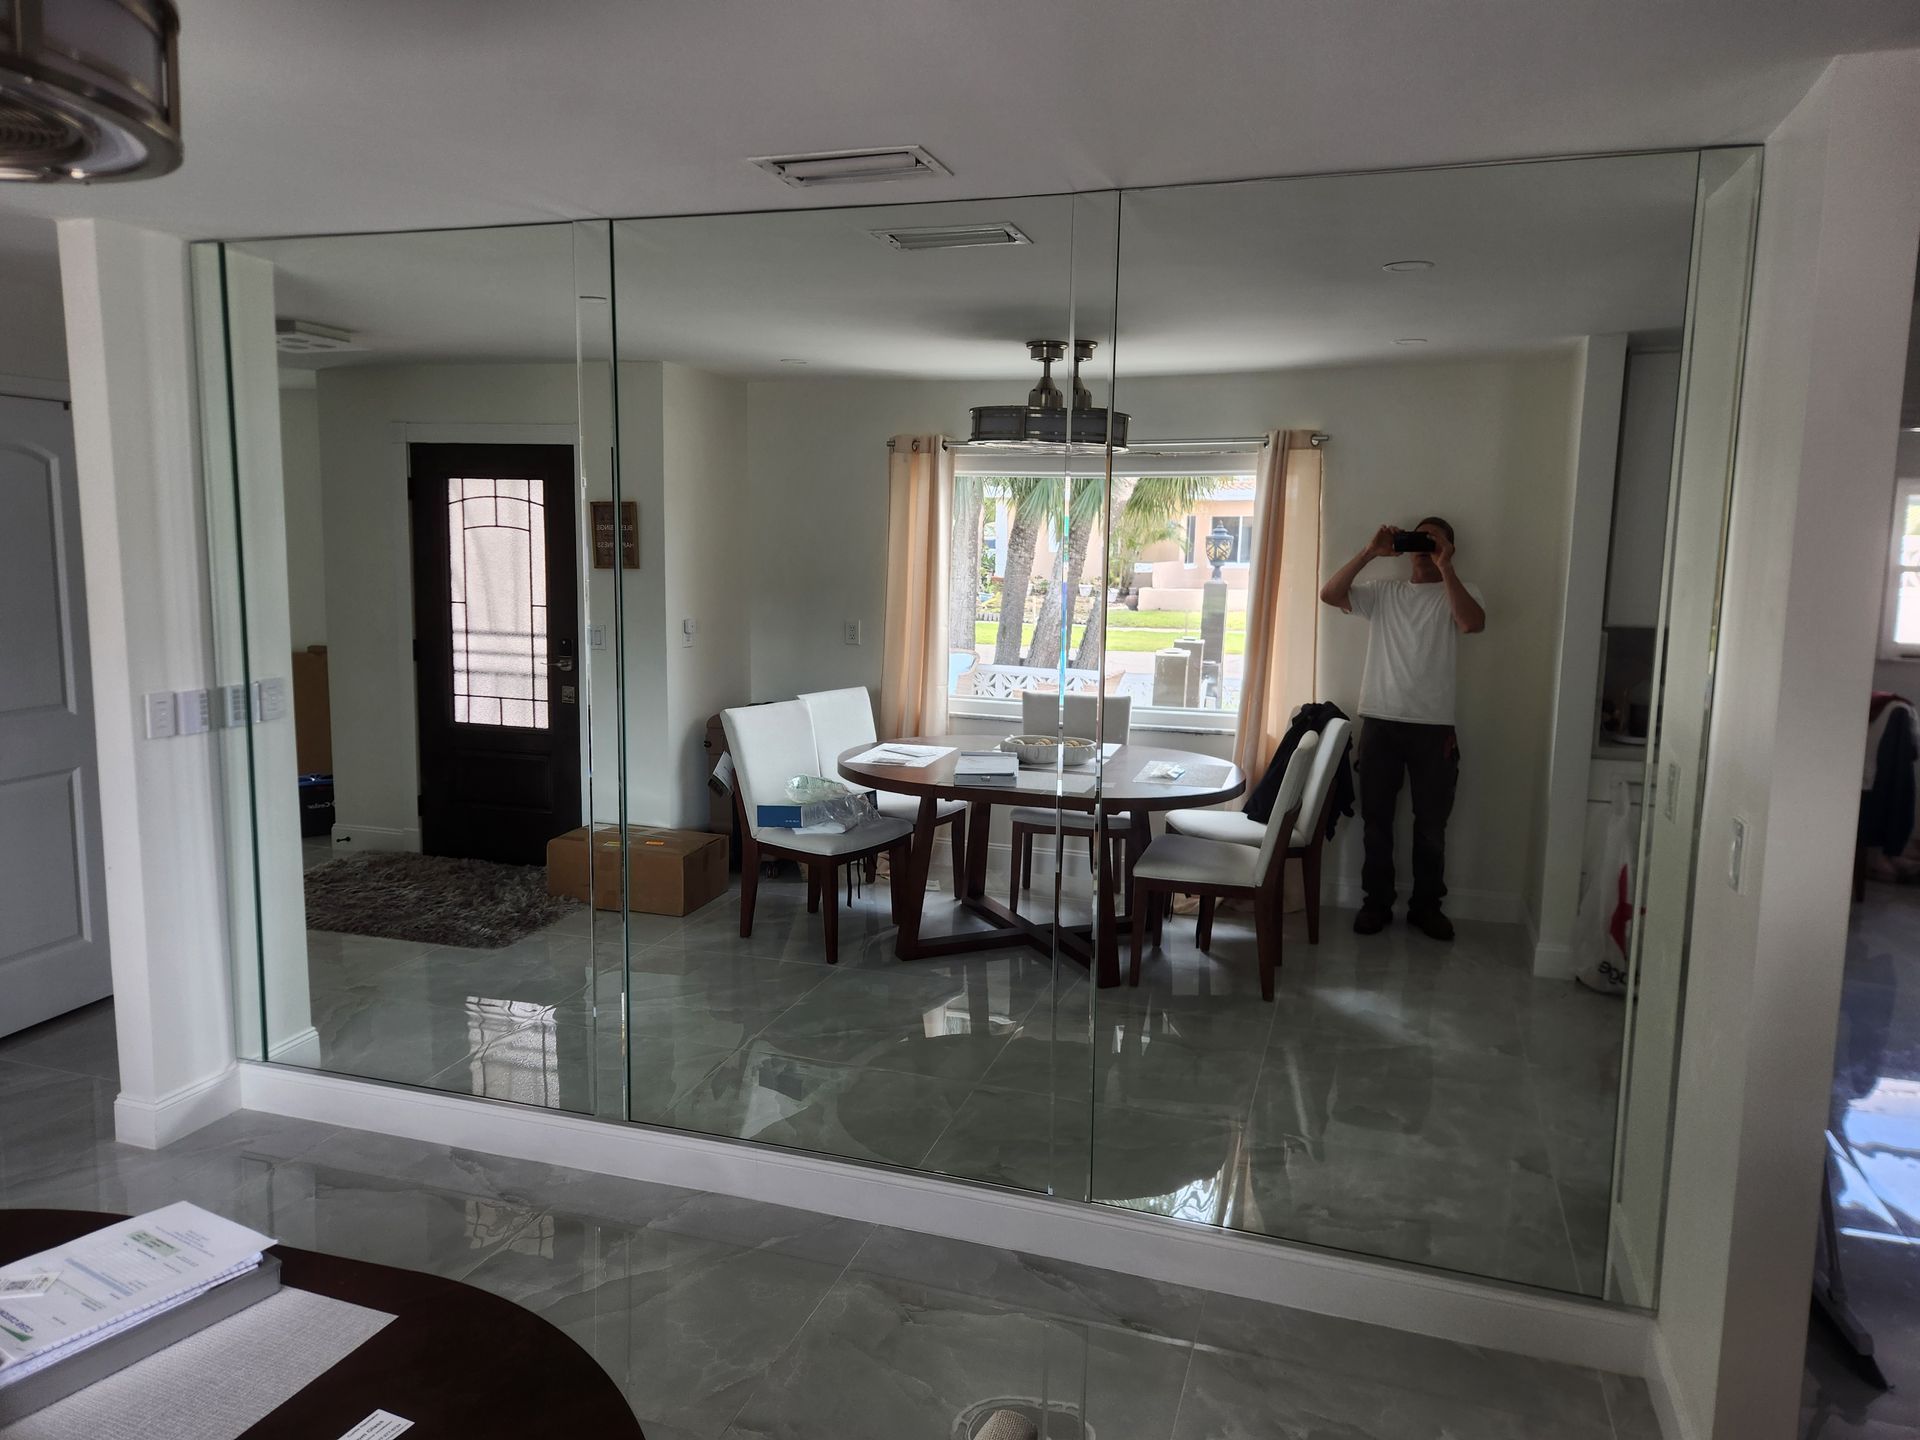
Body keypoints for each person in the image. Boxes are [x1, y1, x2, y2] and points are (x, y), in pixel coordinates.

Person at [1318, 516, 1485, 940]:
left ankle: (1426, 907)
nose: (1424, 548)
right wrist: (1371, 552)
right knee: (1377, 821)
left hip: (1434, 728)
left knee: (1431, 825)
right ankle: (1376, 903)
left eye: (1434, 541)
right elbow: (1329, 594)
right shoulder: (1385, 593)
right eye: (1420, 539)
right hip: (1380, 721)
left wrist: (1445, 566)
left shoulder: (1458, 591)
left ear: (1449, 547)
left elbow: (1471, 623)